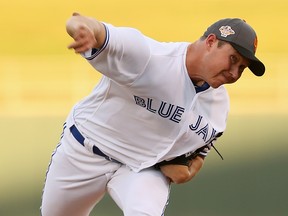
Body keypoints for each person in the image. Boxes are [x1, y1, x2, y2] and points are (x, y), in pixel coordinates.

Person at [41, 12, 265, 216]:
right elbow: (81, 21)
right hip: (84, 152)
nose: (235, 73)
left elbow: (199, 153)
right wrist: (83, 29)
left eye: (242, 68)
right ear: (210, 42)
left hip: (142, 168)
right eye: (233, 59)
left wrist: (190, 170)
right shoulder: (149, 57)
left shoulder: (218, 105)